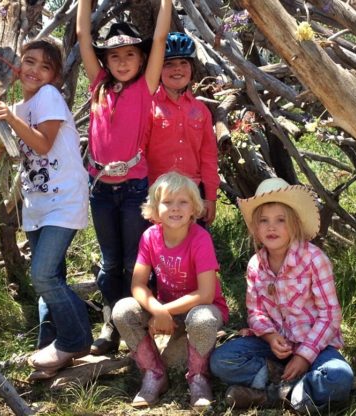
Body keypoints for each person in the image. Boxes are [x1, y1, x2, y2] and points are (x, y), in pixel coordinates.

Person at [0, 39, 92, 373]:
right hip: (37, 204)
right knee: (52, 277)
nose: (35, 70)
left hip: (64, 199)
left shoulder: (48, 96)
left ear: (55, 77)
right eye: (29, 62)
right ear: (17, 68)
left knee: (43, 275)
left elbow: (43, 145)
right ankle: (50, 343)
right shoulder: (16, 108)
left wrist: (10, 119)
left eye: (45, 67)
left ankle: (75, 339)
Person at [76, 0, 172, 356]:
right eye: (114, 56)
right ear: (105, 61)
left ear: (142, 59)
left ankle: (136, 323)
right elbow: (82, 34)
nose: (121, 61)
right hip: (101, 188)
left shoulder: (145, 86)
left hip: (134, 188)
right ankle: (111, 323)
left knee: (134, 260)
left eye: (130, 54)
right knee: (110, 261)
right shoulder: (98, 84)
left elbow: (159, 39)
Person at [210, 178, 354, 413]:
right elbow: (255, 312)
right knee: (221, 360)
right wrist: (270, 337)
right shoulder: (256, 265)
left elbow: (330, 315)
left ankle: (272, 393)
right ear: (256, 228)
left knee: (339, 377)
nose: (271, 227)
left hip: (314, 345)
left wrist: (304, 356)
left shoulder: (314, 259)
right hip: (276, 348)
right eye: (264, 221)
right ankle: (289, 389)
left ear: (295, 224)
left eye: (280, 220)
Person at [112, 172, 229, 409]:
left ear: (194, 207)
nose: (175, 208)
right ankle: (154, 373)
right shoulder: (149, 237)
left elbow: (206, 294)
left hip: (203, 308)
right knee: (122, 310)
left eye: (183, 202)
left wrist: (164, 312)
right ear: (155, 208)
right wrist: (157, 310)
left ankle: (198, 377)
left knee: (202, 319)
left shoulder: (200, 238)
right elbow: (137, 285)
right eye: (167, 202)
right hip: (166, 307)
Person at [145, 32, 219, 225]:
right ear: (157, 69)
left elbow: (208, 156)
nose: (177, 69)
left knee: (195, 242)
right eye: (169, 64)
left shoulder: (201, 111)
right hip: (157, 194)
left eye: (183, 63)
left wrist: (210, 196)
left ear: (192, 68)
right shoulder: (148, 107)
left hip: (192, 194)